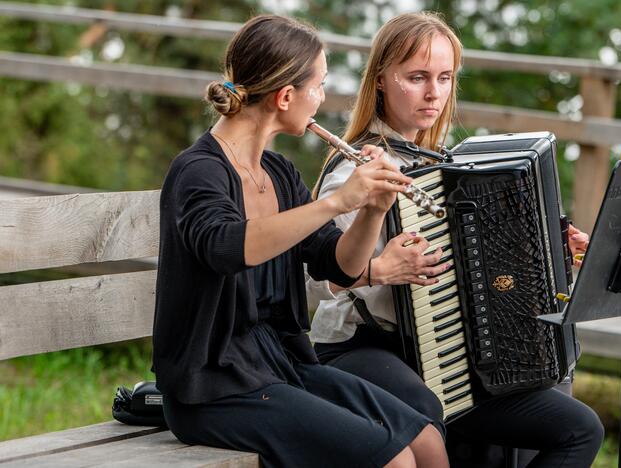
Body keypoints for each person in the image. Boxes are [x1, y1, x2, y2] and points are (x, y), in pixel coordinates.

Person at [307, 12, 605, 468]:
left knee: (579, 427)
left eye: (445, 77)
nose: (434, 92)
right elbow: (313, 285)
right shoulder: (353, 170)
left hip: (445, 349)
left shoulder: (443, 163)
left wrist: (548, 256)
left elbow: (479, 266)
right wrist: (378, 269)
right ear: (381, 80)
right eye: (417, 77)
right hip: (364, 346)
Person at [152, 14, 449, 468]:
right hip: (214, 386)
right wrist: (336, 202)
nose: (323, 99)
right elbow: (228, 248)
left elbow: (341, 265)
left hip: (282, 365)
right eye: (320, 85)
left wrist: (372, 208)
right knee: (394, 461)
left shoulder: (279, 172)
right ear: (286, 96)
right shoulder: (199, 171)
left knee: (427, 441)